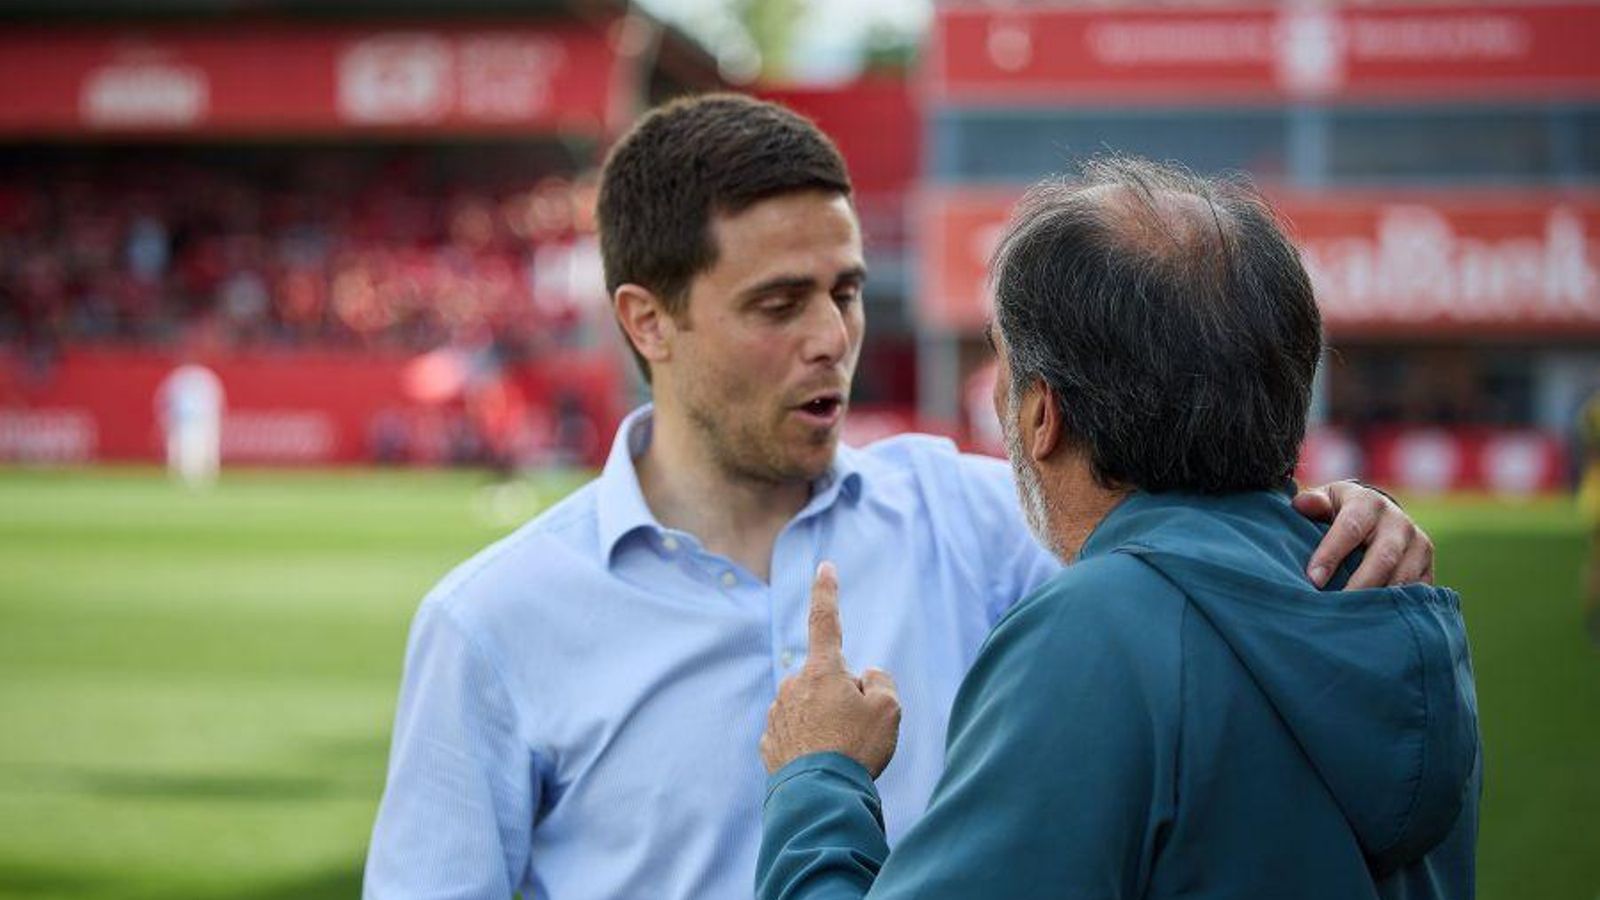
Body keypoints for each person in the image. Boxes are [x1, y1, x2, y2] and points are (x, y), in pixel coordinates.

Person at [363, 96, 1437, 900]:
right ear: (647, 321)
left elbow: (1183, 550)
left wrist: (1318, 524)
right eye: (778, 304)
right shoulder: (491, 623)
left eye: (846, 291)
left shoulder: (978, 518)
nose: (831, 336)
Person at [756, 157, 1479, 899]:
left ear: (1043, 413)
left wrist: (818, 776)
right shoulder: (1387, 601)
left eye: (1002, 363)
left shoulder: (1095, 631)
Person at [154, 360, 224, 488]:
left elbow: (215, 402)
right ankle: (180, 475)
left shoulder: (204, 379)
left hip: (201, 421)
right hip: (183, 421)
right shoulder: (179, 379)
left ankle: (204, 474)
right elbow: (165, 400)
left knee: (202, 448)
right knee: (181, 449)